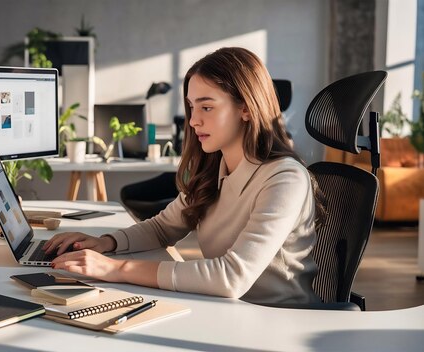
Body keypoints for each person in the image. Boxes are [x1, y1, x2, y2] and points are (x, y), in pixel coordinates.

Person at [43, 47, 325, 304]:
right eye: (191, 107)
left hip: (277, 321)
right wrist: (107, 243)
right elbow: (162, 228)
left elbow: (231, 277)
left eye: (206, 107)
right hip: (229, 311)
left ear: (246, 109)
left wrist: (116, 269)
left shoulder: (285, 179)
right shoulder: (214, 169)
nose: (193, 120)